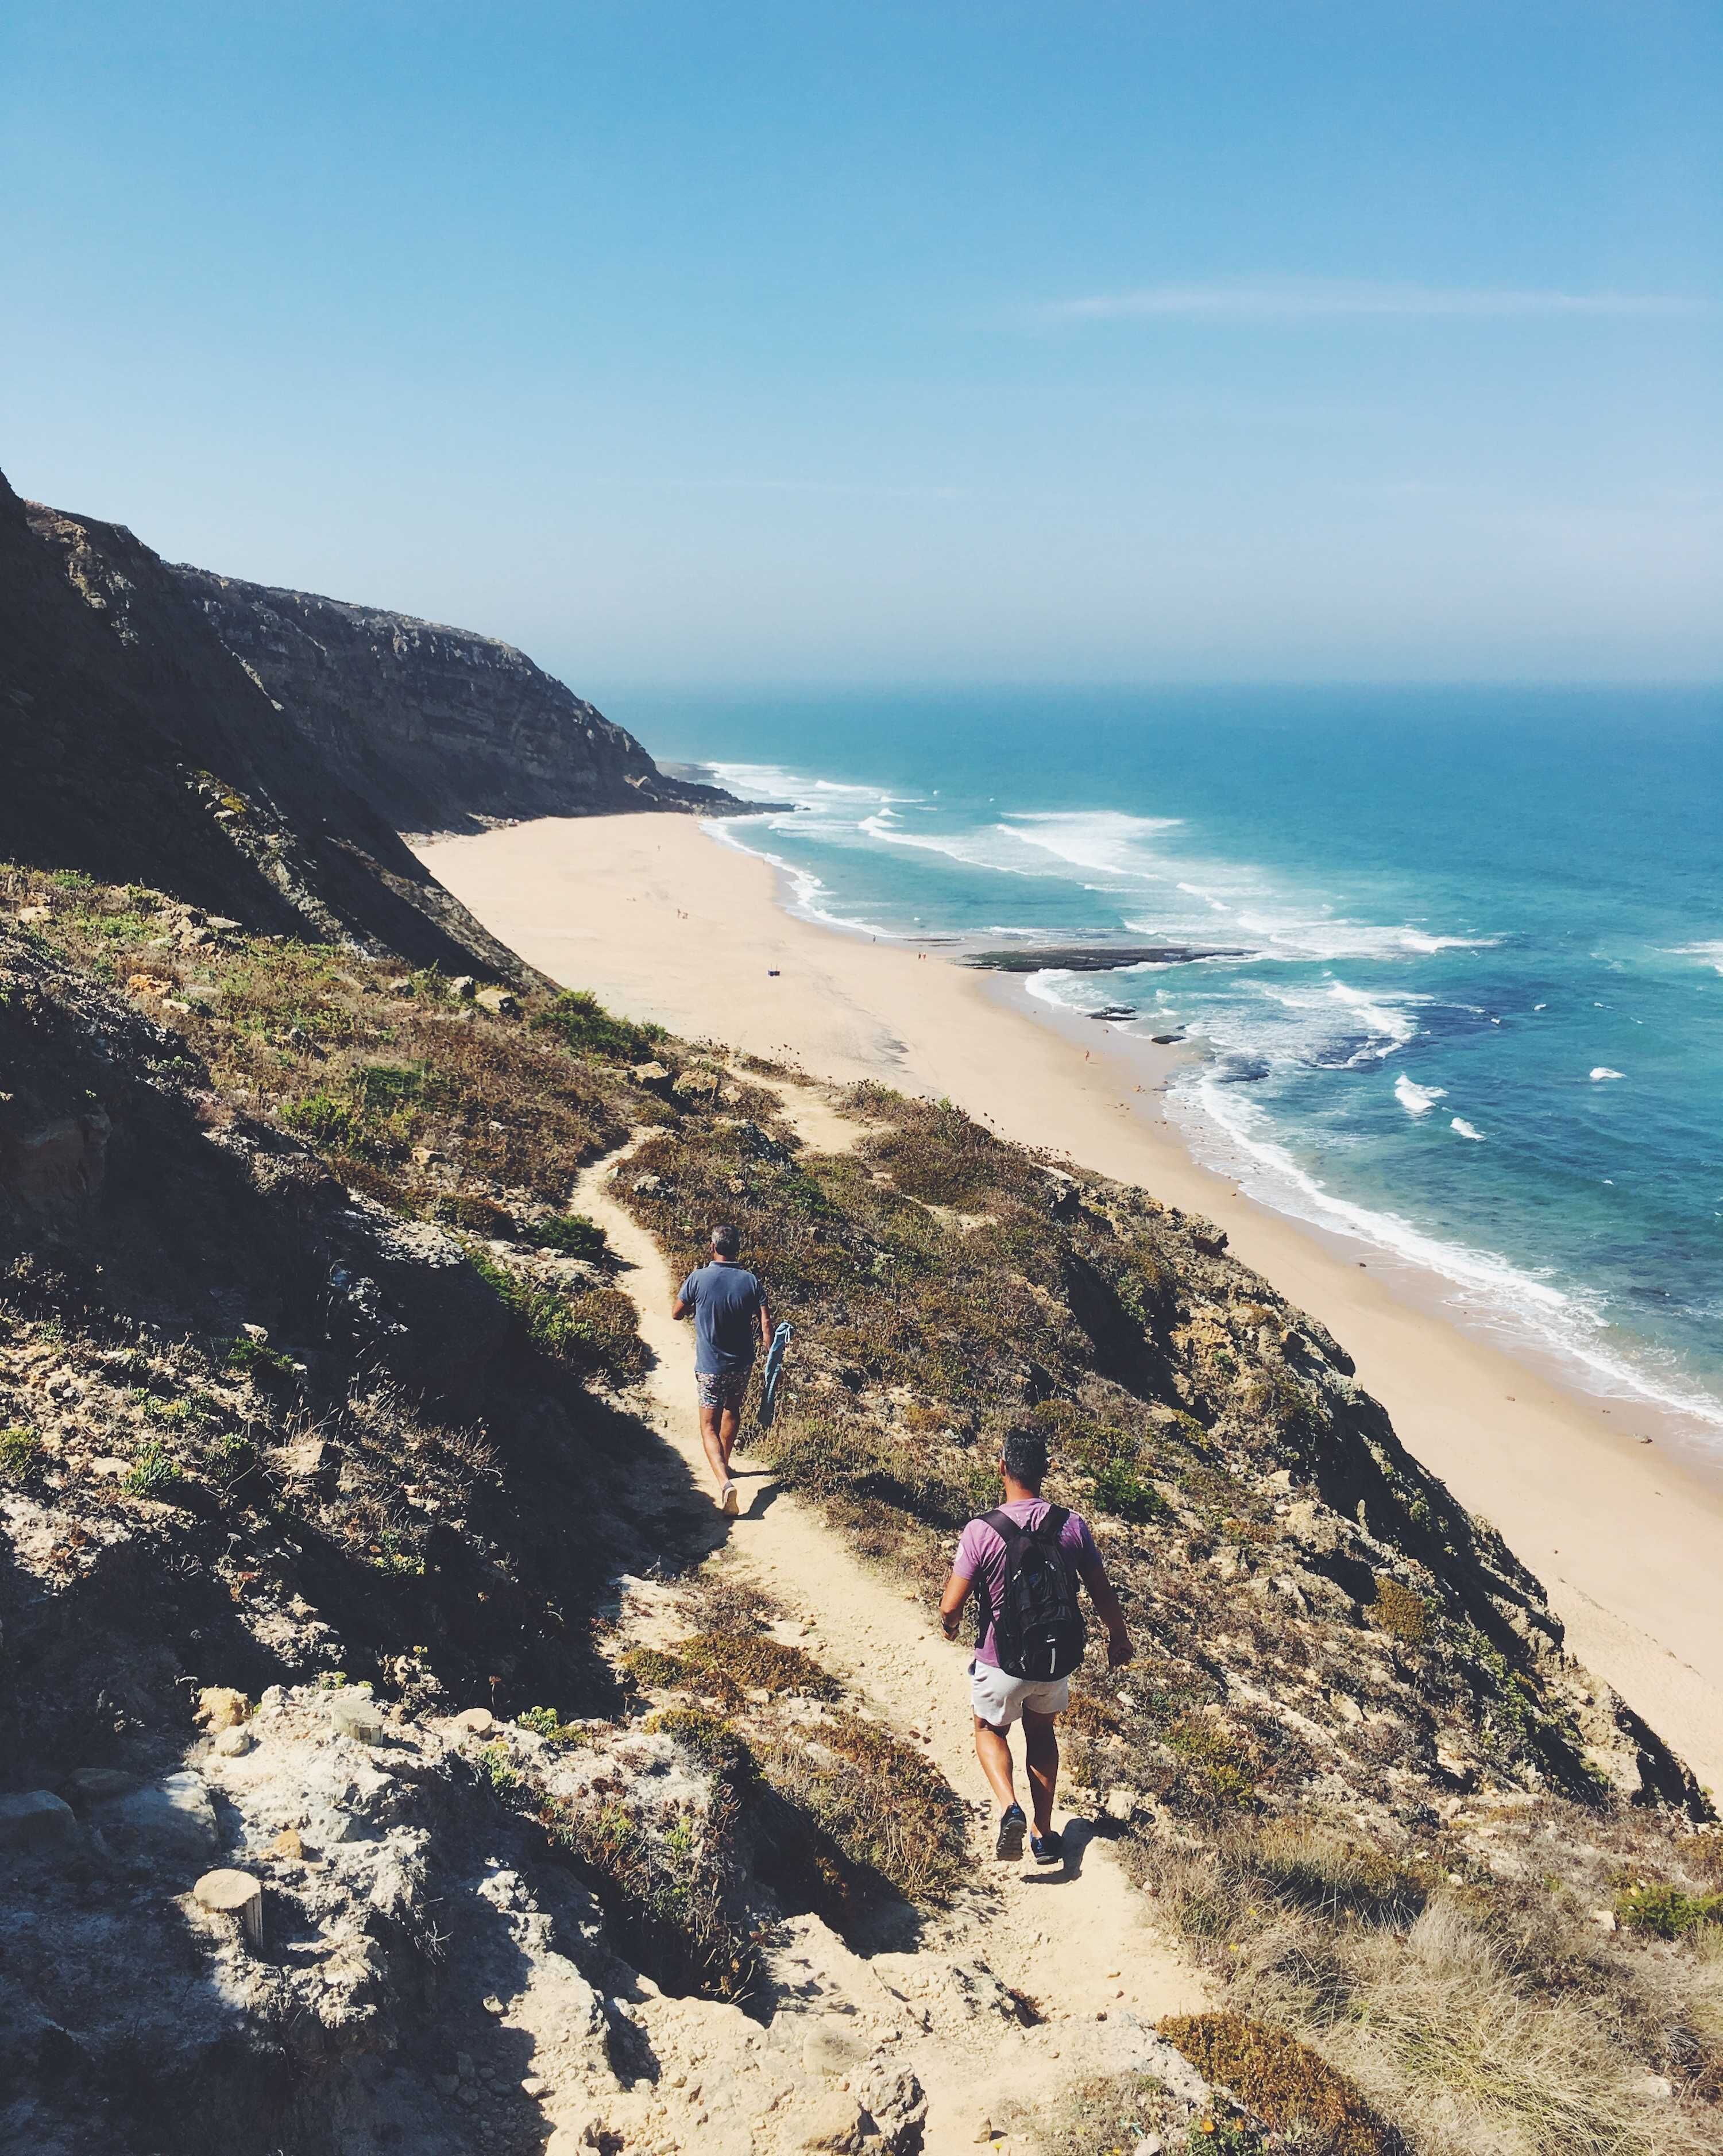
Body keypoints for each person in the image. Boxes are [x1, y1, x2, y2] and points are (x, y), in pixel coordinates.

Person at [938, 1426, 1133, 1865]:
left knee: (989, 1730)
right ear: (1046, 1471)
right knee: (1042, 1733)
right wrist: (1118, 1638)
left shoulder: (981, 1530)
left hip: (1001, 1660)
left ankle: (1009, 1806)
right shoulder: (1072, 1526)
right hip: (1054, 1659)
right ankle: (1043, 1835)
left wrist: (949, 1626)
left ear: (1002, 1467)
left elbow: (952, 1605)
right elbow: (1102, 1591)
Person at [671, 1224, 771, 1515]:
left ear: (712, 1247)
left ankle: (724, 1482)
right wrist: (771, 1357)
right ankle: (725, 1464)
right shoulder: (751, 1282)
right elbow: (766, 1325)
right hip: (741, 1365)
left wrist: (695, 1307)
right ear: (738, 1248)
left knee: (707, 1426)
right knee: (732, 1410)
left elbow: (676, 1313)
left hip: (710, 1367)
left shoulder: (698, 1278)